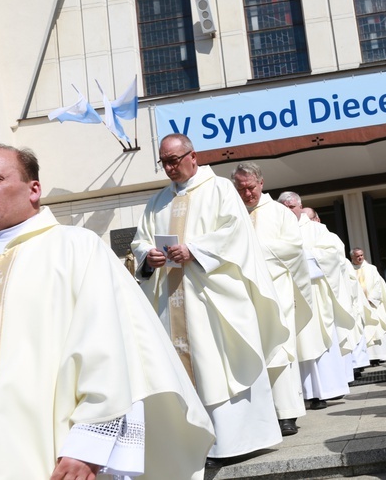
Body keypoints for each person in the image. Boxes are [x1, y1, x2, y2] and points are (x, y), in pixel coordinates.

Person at [0, 143, 215, 479]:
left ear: (34, 190)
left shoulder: (75, 247)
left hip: (50, 448)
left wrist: (87, 448)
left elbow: (112, 353)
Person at [131, 134, 288, 467]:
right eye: (165, 162)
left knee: (220, 362)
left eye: (175, 159)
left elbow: (235, 233)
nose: (170, 167)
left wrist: (195, 250)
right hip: (171, 301)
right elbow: (139, 241)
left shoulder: (219, 190)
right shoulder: (156, 201)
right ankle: (196, 442)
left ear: (193, 156)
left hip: (212, 298)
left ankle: (236, 440)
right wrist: (149, 258)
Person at [231, 162, 314, 437]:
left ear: (261, 183)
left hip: (276, 293)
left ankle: (286, 413)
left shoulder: (279, 212)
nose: (246, 194)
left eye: (250, 188)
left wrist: (253, 250)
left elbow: (293, 248)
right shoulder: (231, 214)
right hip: (242, 296)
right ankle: (259, 415)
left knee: (279, 351)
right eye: (240, 188)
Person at [277, 191, 355, 410]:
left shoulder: (317, 229)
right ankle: (300, 394)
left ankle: (324, 391)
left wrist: (302, 257)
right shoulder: (277, 231)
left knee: (318, 339)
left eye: (291, 206)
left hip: (315, 296)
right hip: (288, 294)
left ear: (300, 206)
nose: (287, 210)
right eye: (283, 206)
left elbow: (334, 255)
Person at [350, 247, 386, 364]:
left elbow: (378, 285)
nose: (360, 258)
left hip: (372, 305)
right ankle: (368, 358)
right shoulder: (349, 270)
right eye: (357, 256)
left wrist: (372, 299)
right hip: (359, 307)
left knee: (376, 329)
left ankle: (379, 356)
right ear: (352, 258)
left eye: (361, 255)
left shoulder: (371, 269)